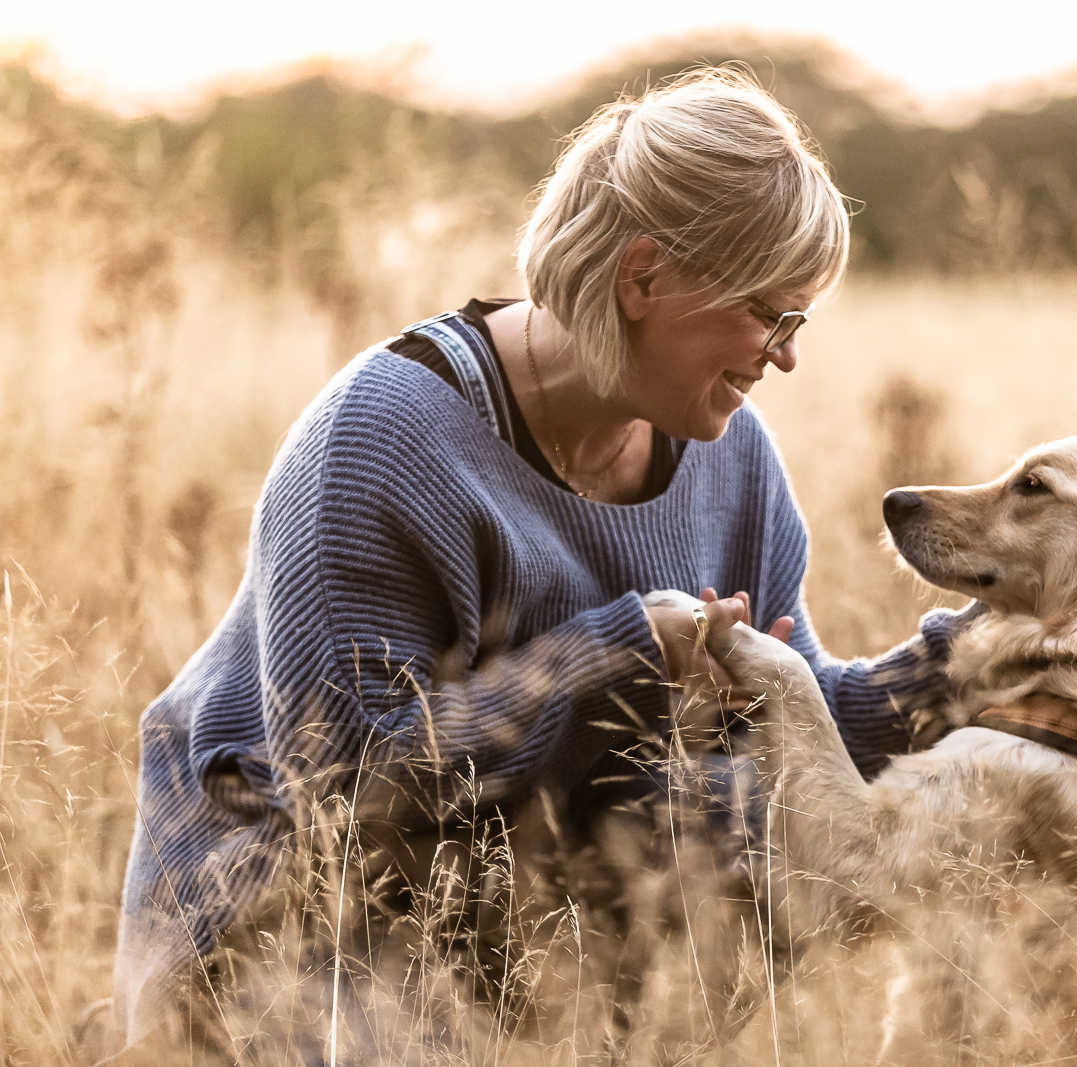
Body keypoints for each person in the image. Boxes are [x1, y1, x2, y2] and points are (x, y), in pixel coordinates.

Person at [109, 68, 979, 1056]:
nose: (782, 358)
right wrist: (624, 651)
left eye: (798, 326)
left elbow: (797, 737)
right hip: (303, 912)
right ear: (644, 277)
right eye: (767, 316)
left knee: (755, 831)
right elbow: (352, 794)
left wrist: (968, 665)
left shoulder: (733, 456)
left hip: (532, 888)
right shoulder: (386, 438)